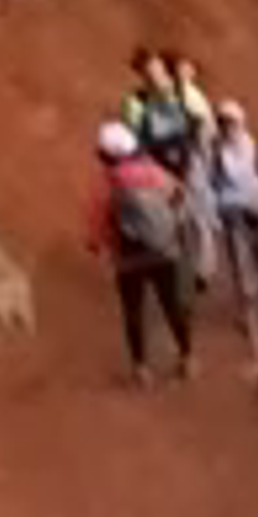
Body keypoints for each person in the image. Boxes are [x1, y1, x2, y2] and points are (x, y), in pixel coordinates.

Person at [90, 116, 196, 380]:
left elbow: (99, 221)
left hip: (128, 257)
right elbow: (179, 195)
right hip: (164, 250)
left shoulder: (108, 182)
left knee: (133, 311)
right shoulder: (152, 170)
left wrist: (98, 245)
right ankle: (187, 357)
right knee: (172, 305)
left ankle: (141, 367)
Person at [208, 95, 258, 362]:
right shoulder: (242, 147)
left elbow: (214, 181)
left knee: (254, 259)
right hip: (241, 208)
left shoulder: (235, 148)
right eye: (225, 123)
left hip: (246, 207)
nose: (228, 127)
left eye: (230, 123)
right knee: (248, 261)